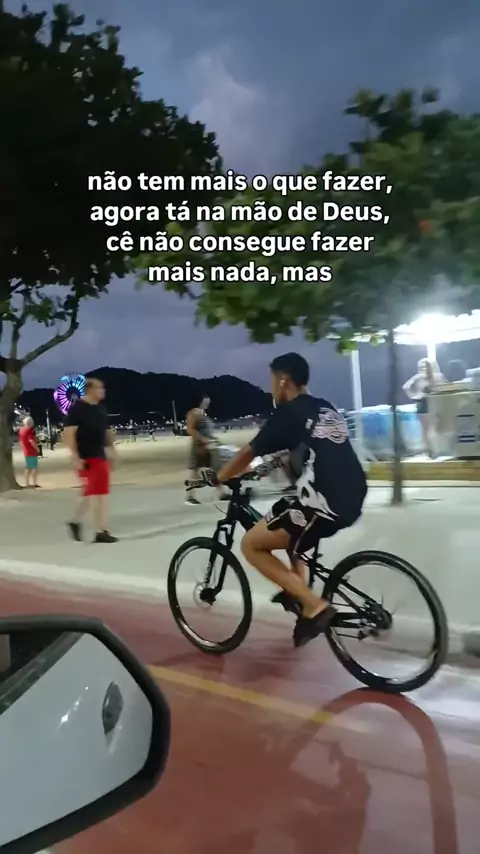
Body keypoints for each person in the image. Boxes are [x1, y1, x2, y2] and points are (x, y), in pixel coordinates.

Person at [214, 353, 368, 648]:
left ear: (283, 380)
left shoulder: (288, 411)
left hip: (323, 500)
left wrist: (220, 476)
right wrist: (264, 469)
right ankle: (300, 601)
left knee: (251, 544)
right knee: (291, 532)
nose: (271, 387)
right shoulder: (324, 407)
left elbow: (247, 452)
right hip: (354, 494)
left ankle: (313, 605)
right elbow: (301, 450)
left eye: (272, 380)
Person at [63, 377, 118, 543]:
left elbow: (105, 432)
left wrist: (112, 451)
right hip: (86, 457)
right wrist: (75, 456)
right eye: (100, 388)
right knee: (97, 495)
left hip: (100, 455)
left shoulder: (100, 408)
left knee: (93, 493)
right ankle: (101, 531)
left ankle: (75, 522)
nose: (103, 391)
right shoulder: (77, 409)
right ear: (90, 390)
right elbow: (69, 434)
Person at [185, 392, 228, 506]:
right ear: (200, 401)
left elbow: (206, 430)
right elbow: (190, 429)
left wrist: (213, 440)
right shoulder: (194, 412)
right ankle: (190, 497)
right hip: (199, 447)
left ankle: (222, 493)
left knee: (216, 469)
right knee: (195, 471)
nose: (208, 402)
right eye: (206, 400)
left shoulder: (203, 413)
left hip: (209, 446)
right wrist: (203, 439)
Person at [403, 359, 445, 458]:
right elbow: (405, 387)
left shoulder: (438, 376)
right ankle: (429, 451)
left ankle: (437, 449)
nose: (423, 369)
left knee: (436, 428)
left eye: (425, 366)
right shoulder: (418, 377)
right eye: (421, 367)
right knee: (426, 429)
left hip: (435, 403)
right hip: (423, 404)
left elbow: (444, 387)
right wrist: (414, 396)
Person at [18, 416, 39, 488]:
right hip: (31, 451)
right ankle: (33, 483)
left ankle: (27, 482)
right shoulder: (29, 430)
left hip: (26, 450)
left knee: (29, 467)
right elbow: (31, 440)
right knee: (33, 468)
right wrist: (36, 448)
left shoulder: (21, 430)